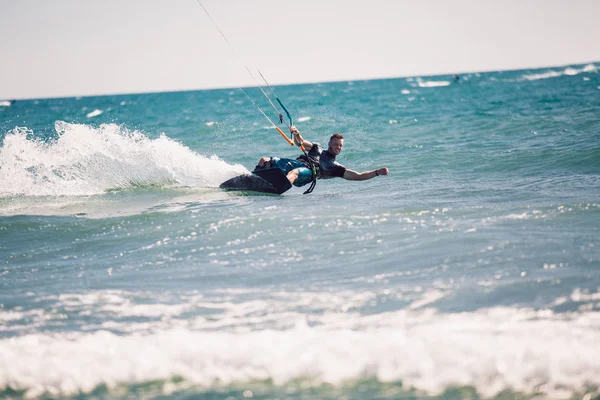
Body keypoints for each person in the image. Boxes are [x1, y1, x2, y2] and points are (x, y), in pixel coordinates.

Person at [255, 125, 389, 188]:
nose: (338, 147)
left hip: (308, 173)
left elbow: (358, 176)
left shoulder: (335, 168)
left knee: (294, 173)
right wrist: (296, 133)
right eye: (336, 144)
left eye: (341, 146)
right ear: (329, 143)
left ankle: (278, 187)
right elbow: (300, 142)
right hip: (296, 163)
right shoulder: (317, 148)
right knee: (265, 160)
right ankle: (252, 179)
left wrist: (376, 172)